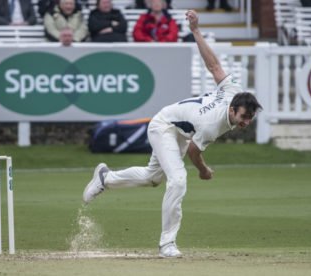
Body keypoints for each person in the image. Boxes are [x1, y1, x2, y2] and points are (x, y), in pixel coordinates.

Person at [83, 9, 262, 258]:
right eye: (243, 117)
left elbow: (213, 65)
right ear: (233, 110)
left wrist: (196, 31)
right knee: (178, 180)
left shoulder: (234, 91)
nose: (245, 123)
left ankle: (105, 179)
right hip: (164, 126)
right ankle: (167, 244)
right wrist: (204, 170)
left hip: (179, 130)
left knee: (152, 177)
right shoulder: (213, 124)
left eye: (250, 118)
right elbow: (193, 152)